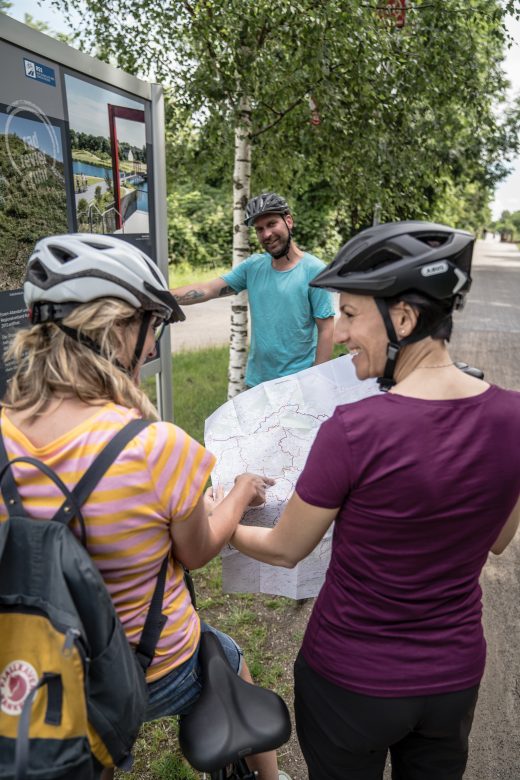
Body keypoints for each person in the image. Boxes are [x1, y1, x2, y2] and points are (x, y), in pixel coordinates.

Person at [227, 221, 520, 780]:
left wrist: (224, 517)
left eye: (352, 314)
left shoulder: (354, 428)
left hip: (350, 680)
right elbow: (501, 539)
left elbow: (286, 549)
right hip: (453, 679)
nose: (338, 333)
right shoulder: (513, 416)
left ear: (404, 319)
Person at [0, 234, 286, 780]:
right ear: (116, 330)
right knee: (226, 656)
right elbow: (198, 551)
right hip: (154, 668)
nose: (152, 347)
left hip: (38, 667)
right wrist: (242, 491)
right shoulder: (156, 446)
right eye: (148, 326)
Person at [172, 192, 336, 387]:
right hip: (257, 383)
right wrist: (160, 297)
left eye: (272, 224)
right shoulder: (253, 267)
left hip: (298, 383)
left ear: (289, 221)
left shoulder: (315, 271)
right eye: (259, 229)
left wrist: (315, 381)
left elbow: (326, 330)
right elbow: (208, 289)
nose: (266, 234)